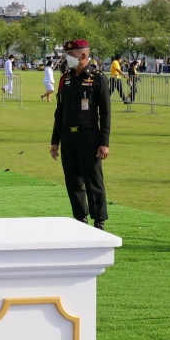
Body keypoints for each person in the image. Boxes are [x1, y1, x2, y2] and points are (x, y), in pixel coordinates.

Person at [50, 39, 111, 229]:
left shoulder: (97, 78)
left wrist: (104, 143)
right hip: (68, 136)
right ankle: (80, 218)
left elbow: (105, 113)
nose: (67, 58)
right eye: (67, 54)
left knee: (93, 181)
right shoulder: (66, 79)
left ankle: (99, 221)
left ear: (83, 55)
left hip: (88, 136)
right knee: (72, 181)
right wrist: (55, 141)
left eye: (71, 54)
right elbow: (60, 112)